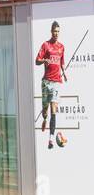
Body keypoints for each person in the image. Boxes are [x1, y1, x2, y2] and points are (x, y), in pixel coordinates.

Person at [36, 21, 68, 150]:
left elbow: (62, 63)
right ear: (51, 31)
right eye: (55, 31)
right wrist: (44, 60)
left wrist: (64, 73)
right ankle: (44, 119)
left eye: (58, 31)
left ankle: (51, 139)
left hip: (56, 82)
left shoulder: (61, 47)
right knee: (45, 110)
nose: (56, 33)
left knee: (53, 110)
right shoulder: (45, 45)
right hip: (46, 82)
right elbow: (37, 61)